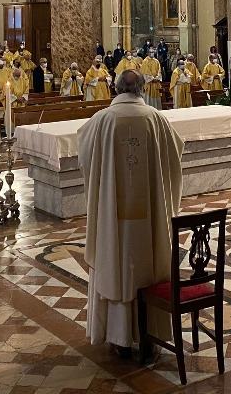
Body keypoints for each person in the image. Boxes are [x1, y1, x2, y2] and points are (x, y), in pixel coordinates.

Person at [77, 70, 183, 355]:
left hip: (113, 217)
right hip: (150, 218)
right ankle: (151, 336)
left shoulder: (102, 120)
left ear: (115, 87)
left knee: (115, 264)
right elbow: (176, 155)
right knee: (149, 263)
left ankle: (118, 336)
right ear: (142, 88)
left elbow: (84, 155)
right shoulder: (156, 119)